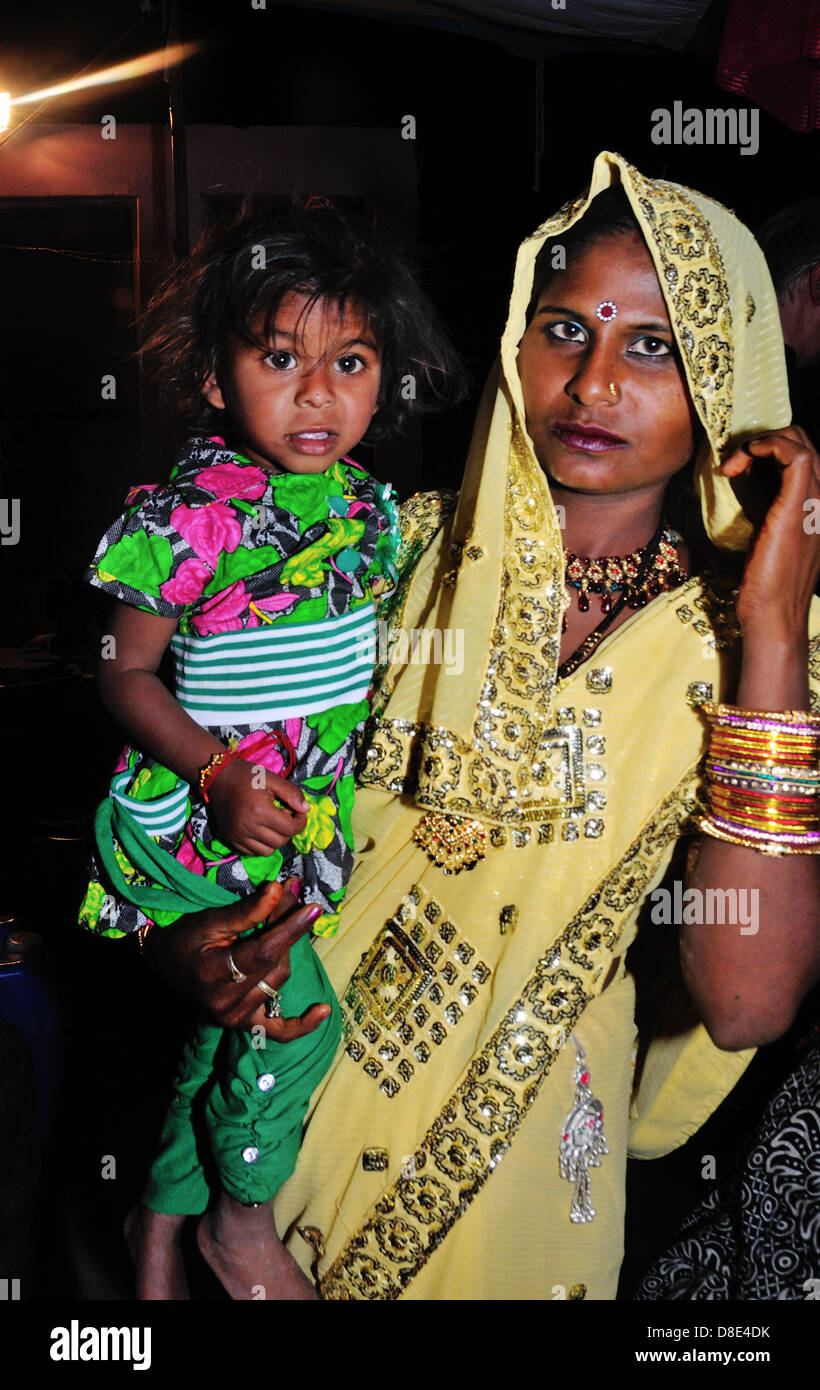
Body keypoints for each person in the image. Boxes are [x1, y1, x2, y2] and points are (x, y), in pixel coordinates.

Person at [138, 152, 820, 1300]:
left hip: (522, 1186)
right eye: (565, 330)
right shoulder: (370, 551)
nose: (593, 382)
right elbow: (180, 812)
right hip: (275, 1124)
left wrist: (773, 627)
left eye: (651, 346)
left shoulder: (756, 653)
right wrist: (184, 946)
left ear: (722, 372)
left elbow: (746, 1002)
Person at [78, 199, 465, 1299]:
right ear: (216, 376)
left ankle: (157, 1223)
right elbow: (121, 674)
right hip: (203, 822)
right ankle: (240, 1227)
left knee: (227, 1033)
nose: (317, 392)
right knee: (295, 1029)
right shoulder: (187, 517)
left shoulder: (371, 511)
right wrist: (220, 774)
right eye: (280, 358)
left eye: (351, 362)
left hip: (300, 828)